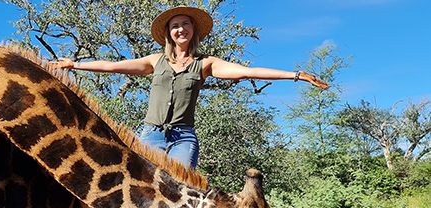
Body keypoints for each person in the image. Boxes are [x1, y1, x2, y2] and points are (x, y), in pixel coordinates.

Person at [52, 6, 328, 169]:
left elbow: (248, 72)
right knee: (143, 187)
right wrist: (75, 65)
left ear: (193, 30)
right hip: (150, 136)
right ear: (169, 33)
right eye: (175, 26)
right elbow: (114, 66)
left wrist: (295, 74)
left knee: (182, 186)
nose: (180, 29)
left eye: (185, 24)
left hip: (183, 137)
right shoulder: (155, 60)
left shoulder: (206, 63)